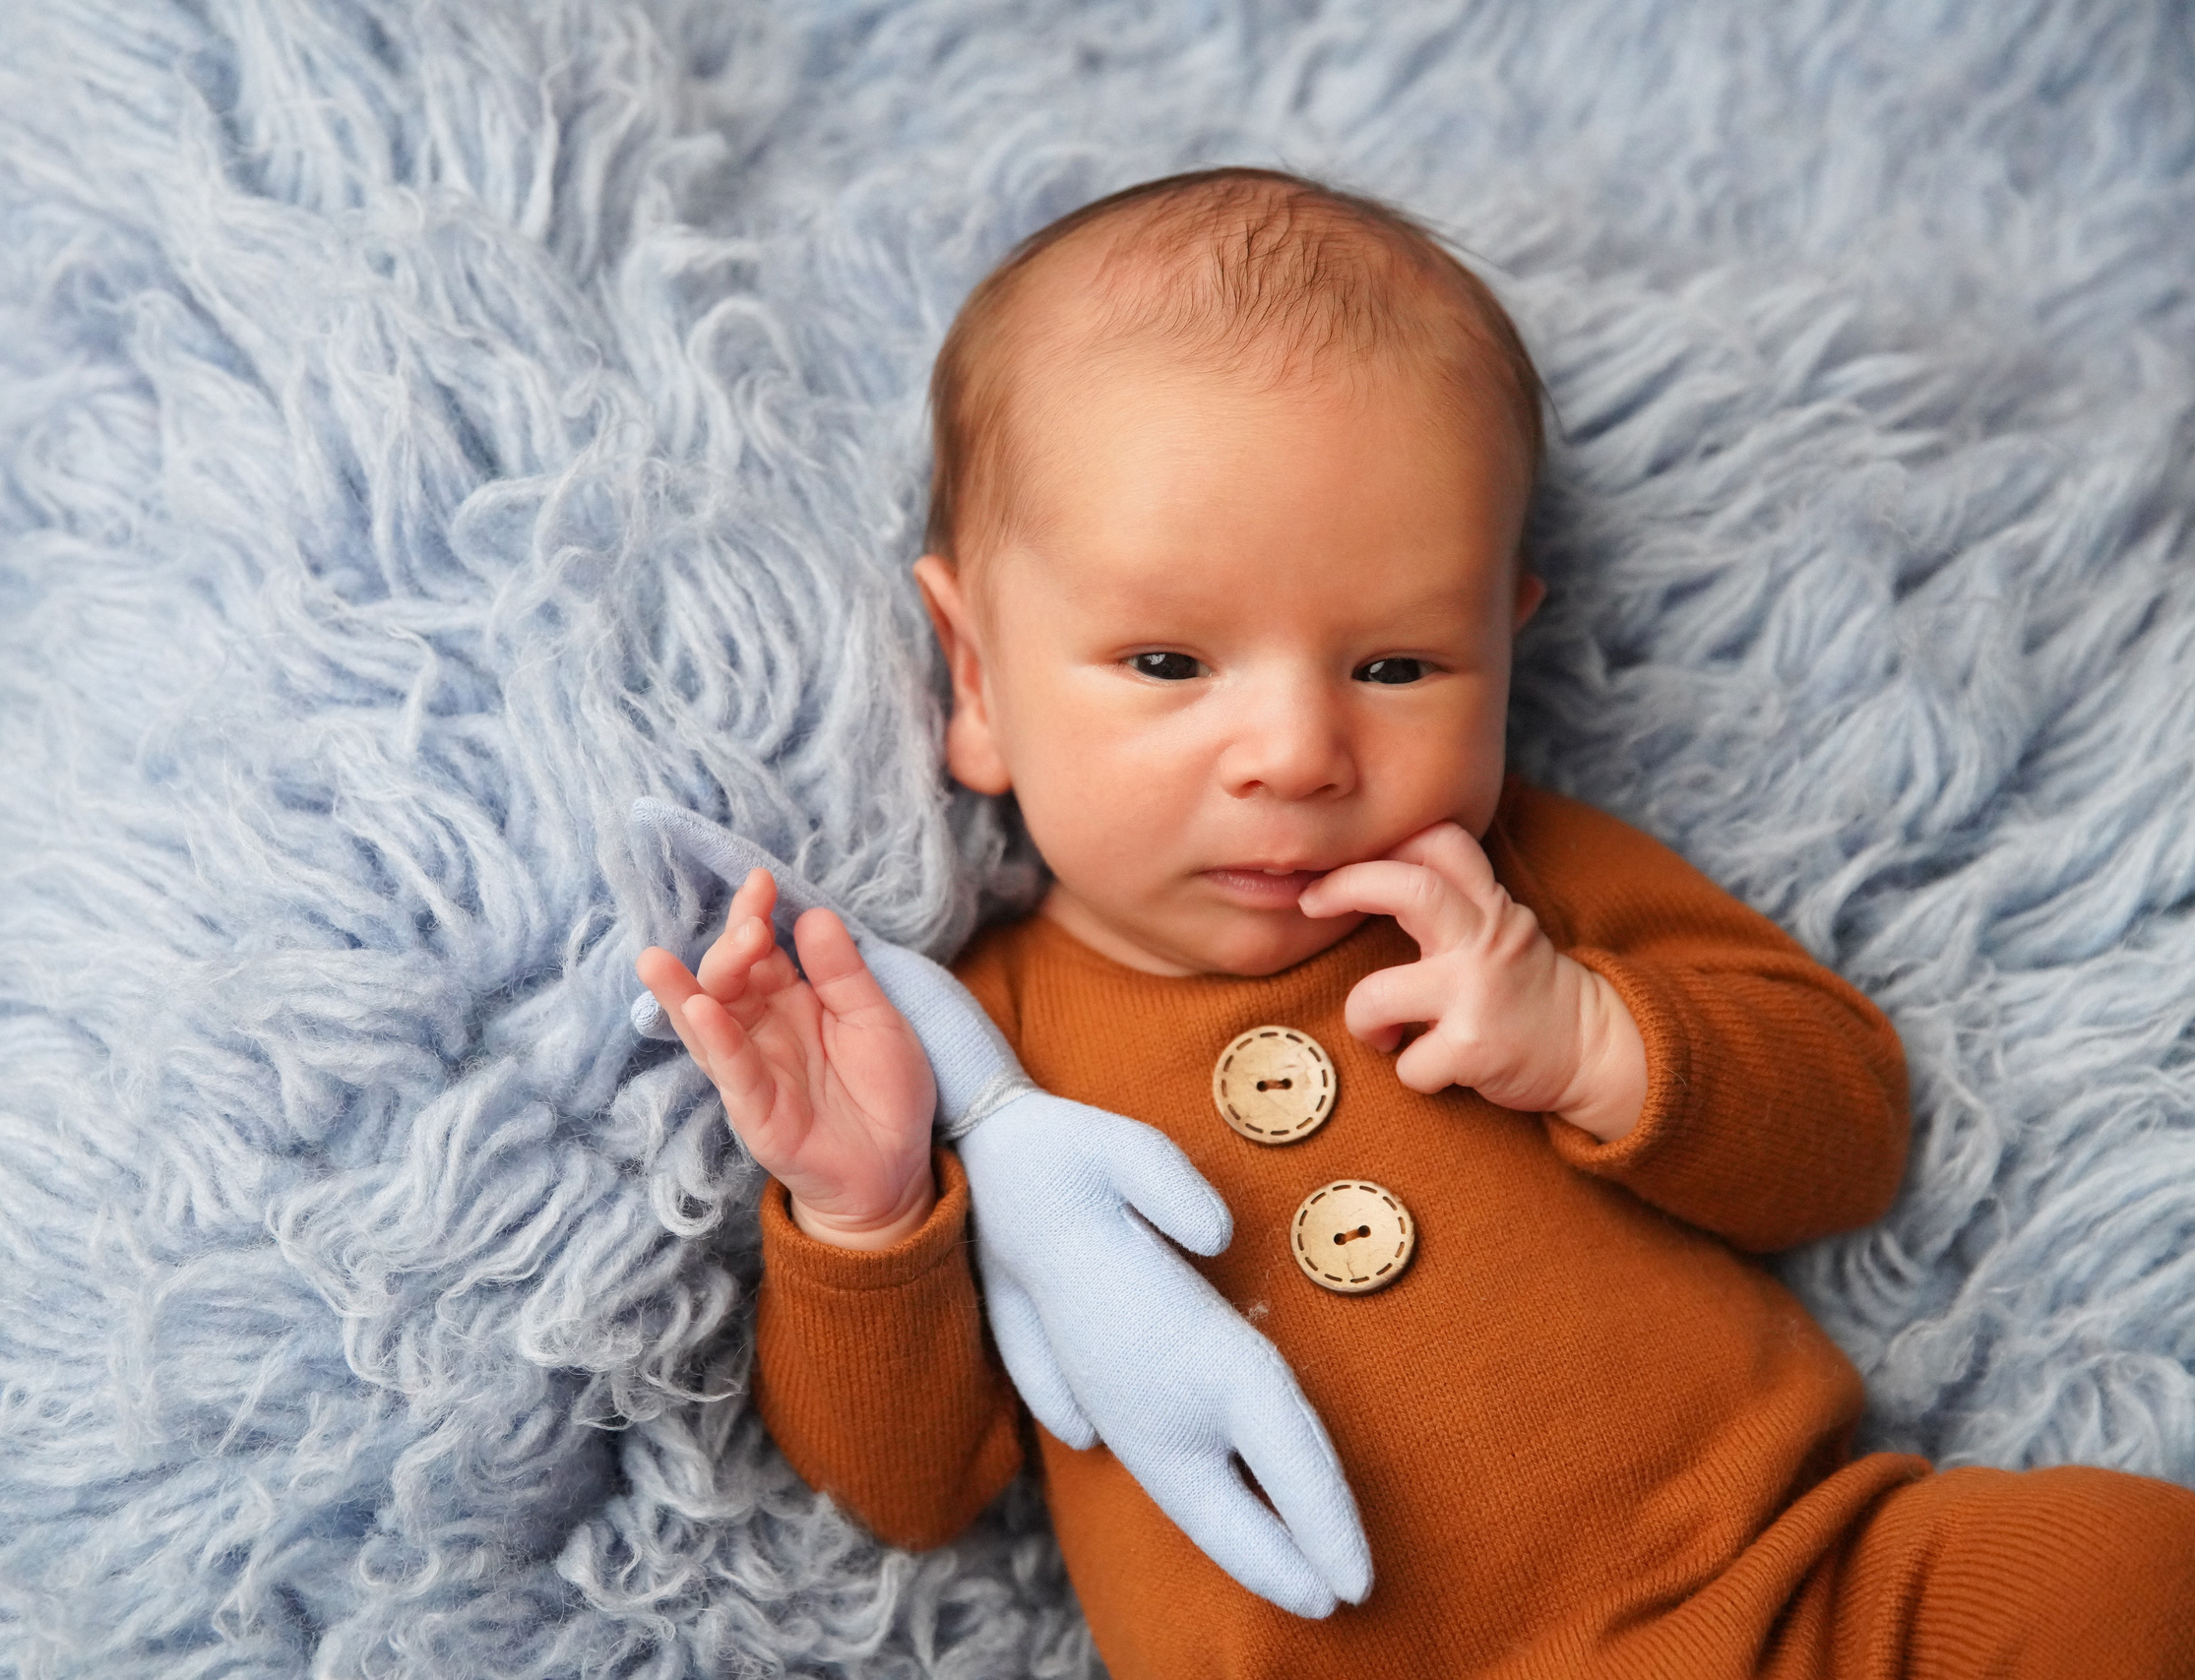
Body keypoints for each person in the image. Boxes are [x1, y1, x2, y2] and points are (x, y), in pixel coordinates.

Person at [634, 168, 2195, 1678]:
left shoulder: (1514, 891)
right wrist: (863, 1219)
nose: (1300, 754)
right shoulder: (982, 1060)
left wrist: (1595, 1043)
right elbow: (905, 1491)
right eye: (1169, 666)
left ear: (1502, 645)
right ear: (976, 678)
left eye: (1396, 667)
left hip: (1792, 1591)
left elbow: (1849, 1129)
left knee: (2126, 1576)